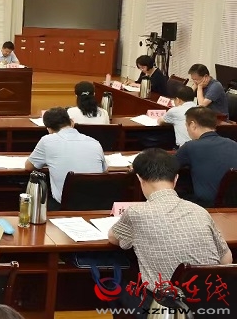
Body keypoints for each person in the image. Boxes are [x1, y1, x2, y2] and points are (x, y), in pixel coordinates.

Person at [108, 149, 232, 314]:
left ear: (140, 179)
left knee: (115, 285)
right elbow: (226, 259)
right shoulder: (199, 210)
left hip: (165, 307)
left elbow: (113, 238)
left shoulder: (136, 213)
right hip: (213, 303)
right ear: (176, 179)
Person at [25, 107, 106, 209]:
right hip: (97, 205)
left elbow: (29, 166)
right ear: (72, 122)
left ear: (49, 129)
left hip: (64, 206)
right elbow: (104, 171)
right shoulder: (95, 142)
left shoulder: (47, 141)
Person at [175, 107, 237, 207]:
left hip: (206, 207)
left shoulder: (190, 147)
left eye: (186, 126)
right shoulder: (233, 144)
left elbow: (168, 167)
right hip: (233, 205)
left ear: (192, 125)